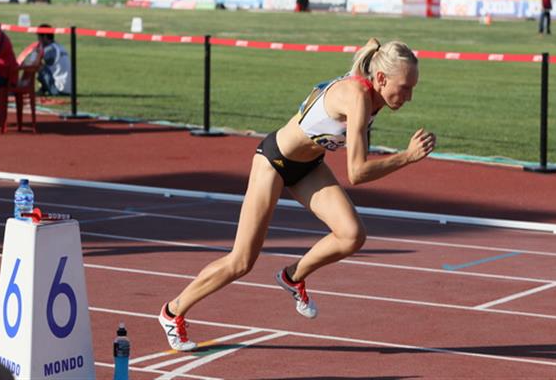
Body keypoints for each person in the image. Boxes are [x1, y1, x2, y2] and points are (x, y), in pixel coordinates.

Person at [158, 38, 436, 351]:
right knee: (241, 261)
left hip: (309, 166)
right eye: (406, 87)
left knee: (352, 234)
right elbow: (357, 173)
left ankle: (293, 277)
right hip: (274, 162)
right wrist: (408, 157)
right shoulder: (358, 97)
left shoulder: (373, 91)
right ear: (382, 78)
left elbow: (370, 49)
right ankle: (173, 311)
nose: (409, 97)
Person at [36, 24, 71, 96]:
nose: (38, 40)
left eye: (39, 36)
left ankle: (42, 90)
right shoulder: (60, 47)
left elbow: (35, 63)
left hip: (58, 90)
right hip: (69, 89)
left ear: (45, 36)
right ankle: (43, 90)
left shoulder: (49, 50)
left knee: (39, 67)